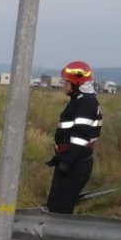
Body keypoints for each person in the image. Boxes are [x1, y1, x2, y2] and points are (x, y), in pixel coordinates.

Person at [45, 60, 102, 214]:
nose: (64, 85)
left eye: (66, 82)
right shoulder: (80, 100)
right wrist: (60, 158)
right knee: (56, 206)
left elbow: (81, 137)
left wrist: (67, 161)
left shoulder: (86, 103)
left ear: (76, 83)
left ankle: (58, 235)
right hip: (73, 161)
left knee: (59, 209)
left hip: (75, 164)